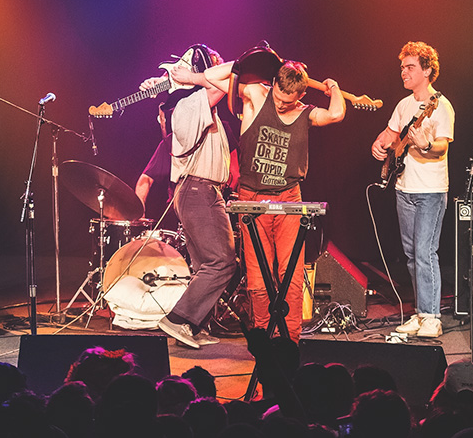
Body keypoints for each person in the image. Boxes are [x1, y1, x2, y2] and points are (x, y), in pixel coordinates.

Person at [172, 56, 345, 342]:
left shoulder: (306, 112)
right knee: (257, 278)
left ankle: (290, 340)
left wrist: (333, 88)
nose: (280, 104)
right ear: (273, 83)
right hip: (253, 198)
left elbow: (336, 114)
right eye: (277, 95)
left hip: (290, 199)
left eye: (288, 101)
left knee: (290, 274)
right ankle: (264, 337)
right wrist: (226, 67)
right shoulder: (255, 95)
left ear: (301, 95)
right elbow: (218, 77)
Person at [139, 45, 238, 349]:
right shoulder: (193, 102)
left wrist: (191, 77)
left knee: (203, 265)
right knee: (222, 262)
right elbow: (236, 72)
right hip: (200, 191)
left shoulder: (190, 104)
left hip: (192, 191)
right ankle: (179, 319)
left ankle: (193, 327)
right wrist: (196, 77)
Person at [371, 41, 454, 338]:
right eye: (402, 67)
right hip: (403, 187)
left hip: (430, 190)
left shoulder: (440, 106)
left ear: (427, 70)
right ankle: (421, 314)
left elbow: (442, 145)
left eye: (410, 67)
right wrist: (379, 146)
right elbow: (391, 135)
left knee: (425, 252)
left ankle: (432, 317)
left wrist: (426, 144)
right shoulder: (404, 105)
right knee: (410, 253)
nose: (403, 72)